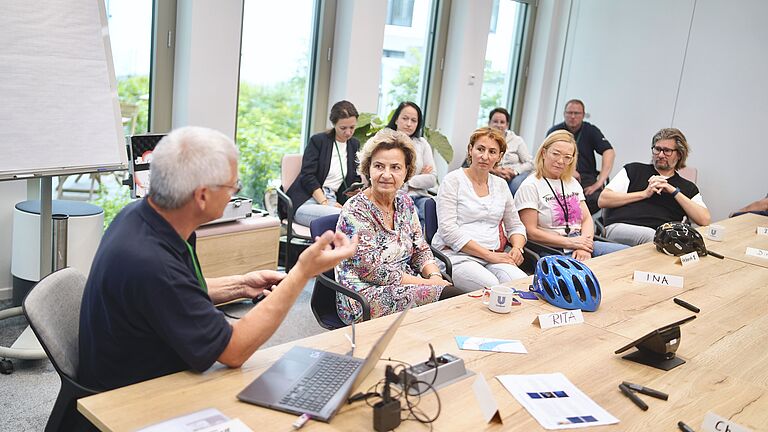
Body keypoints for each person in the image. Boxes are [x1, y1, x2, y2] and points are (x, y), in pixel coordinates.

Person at [79, 126, 358, 391]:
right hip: (133, 397)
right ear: (202, 196)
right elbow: (234, 350)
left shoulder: (144, 215)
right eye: (232, 186)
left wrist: (240, 285)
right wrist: (301, 273)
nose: (235, 192)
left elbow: (179, 291)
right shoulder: (151, 263)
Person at [335, 128, 460, 324]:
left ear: (406, 171)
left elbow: (420, 249)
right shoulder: (355, 210)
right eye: (379, 166)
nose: (386, 174)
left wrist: (434, 275)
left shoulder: (405, 202)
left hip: (404, 284)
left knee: (453, 297)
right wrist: (429, 284)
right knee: (450, 296)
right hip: (363, 296)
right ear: (368, 169)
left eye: (395, 167)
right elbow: (373, 271)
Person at [432, 127, 528, 292]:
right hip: (458, 257)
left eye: (492, 152)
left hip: (494, 257)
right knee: (494, 289)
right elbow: (448, 231)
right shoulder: (453, 180)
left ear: (500, 156)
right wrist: (489, 255)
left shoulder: (501, 185)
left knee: (523, 285)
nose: (485, 156)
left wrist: (517, 248)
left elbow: (516, 226)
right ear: (470, 150)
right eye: (480, 149)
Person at [515, 130, 628, 261]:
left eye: (567, 157)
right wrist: (572, 243)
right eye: (556, 154)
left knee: (629, 255)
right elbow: (530, 231)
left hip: (579, 242)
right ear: (544, 153)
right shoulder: (530, 186)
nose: (561, 161)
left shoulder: (572, 182)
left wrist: (583, 246)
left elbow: (586, 219)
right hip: (552, 249)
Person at [598, 128, 711, 246]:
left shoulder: (687, 187)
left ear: (679, 154)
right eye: (657, 149)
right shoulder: (634, 170)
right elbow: (603, 200)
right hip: (621, 228)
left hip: (661, 236)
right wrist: (644, 193)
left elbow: (705, 220)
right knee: (654, 237)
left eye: (667, 151)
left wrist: (673, 191)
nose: (660, 155)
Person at [284, 100, 362, 226]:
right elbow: (307, 176)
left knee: (355, 217)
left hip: (332, 201)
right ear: (333, 124)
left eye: (352, 127)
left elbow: (353, 176)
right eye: (343, 128)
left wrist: (355, 189)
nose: (348, 132)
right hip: (308, 200)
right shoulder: (318, 141)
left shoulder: (354, 144)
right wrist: (325, 203)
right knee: (344, 219)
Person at [547, 99, 615, 214]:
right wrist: (568, 170)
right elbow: (546, 157)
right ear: (564, 114)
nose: (573, 116)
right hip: (559, 174)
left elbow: (609, 151)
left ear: (583, 115)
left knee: (596, 198)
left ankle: (579, 223)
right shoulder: (555, 131)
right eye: (569, 113)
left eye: (577, 113)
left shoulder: (591, 130)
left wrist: (599, 182)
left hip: (585, 177)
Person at [386, 101, 437, 224]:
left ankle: (424, 243)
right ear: (396, 119)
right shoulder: (386, 141)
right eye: (405, 118)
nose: (409, 124)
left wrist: (408, 182)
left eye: (414, 120)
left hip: (420, 196)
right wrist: (419, 177)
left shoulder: (422, 143)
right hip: (396, 196)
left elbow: (432, 179)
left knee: (430, 210)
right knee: (412, 212)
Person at [487, 107, 533, 195]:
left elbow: (529, 163)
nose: (498, 125)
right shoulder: (483, 139)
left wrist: (514, 171)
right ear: (489, 123)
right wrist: (495, 170)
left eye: (502, 122)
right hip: (491, 172)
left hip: (513, 174)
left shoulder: (517, 140)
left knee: (515, 186)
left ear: (507, 125)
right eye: (495, 121)